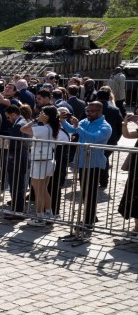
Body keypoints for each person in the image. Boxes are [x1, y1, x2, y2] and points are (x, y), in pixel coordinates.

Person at [60, 101, 112, 239]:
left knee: (91, 192)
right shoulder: (85, 121)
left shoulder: (105, 126)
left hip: (94, 163)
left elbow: (93, 139)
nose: (88, 113)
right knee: (84, 192)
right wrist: (63, 121)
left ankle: (88, 221)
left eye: (91, 111)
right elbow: (72, 130)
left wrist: (78, 128)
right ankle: (90, 217)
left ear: (99, 111)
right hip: (83, 161)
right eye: (87, 111)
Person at [20, 105, 61, 226]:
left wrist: (36, 120)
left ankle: (40, 217)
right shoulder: (53, 127)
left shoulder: (43, 128)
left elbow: (23, 129)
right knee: (43, 189)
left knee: (38, 190)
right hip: (48, 160)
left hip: (40, 161)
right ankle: (49, 213)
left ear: (47, 116)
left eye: (42, 113)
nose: (40, 115)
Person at [3, 105, 29, 219]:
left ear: (14, 114)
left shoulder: (19, 124)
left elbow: (14, 144)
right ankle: (17, 210)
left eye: (8, 117)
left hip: (16, 160)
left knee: (17, 186)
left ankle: (17, 212)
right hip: (20, 159)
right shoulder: (23, 122)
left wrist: (4, 144)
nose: (8, 120)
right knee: (18, 186)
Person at [117, 112, 138, 234]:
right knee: (135, 193)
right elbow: (127, 135)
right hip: (137, 167)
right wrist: (124, 124)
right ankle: (136, 227)